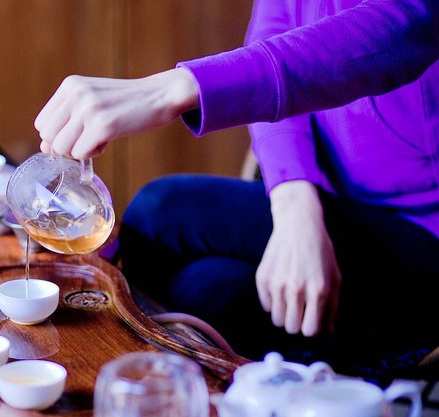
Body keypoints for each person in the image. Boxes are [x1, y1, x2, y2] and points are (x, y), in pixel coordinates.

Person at [34, 0, 439, 379]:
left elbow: (405, 23)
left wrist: (170, 89)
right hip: (338, 208)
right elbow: (276, 46)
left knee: (160, 211)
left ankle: (372, 365)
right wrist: (295, 206)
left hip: (425, 233)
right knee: (205, 290)